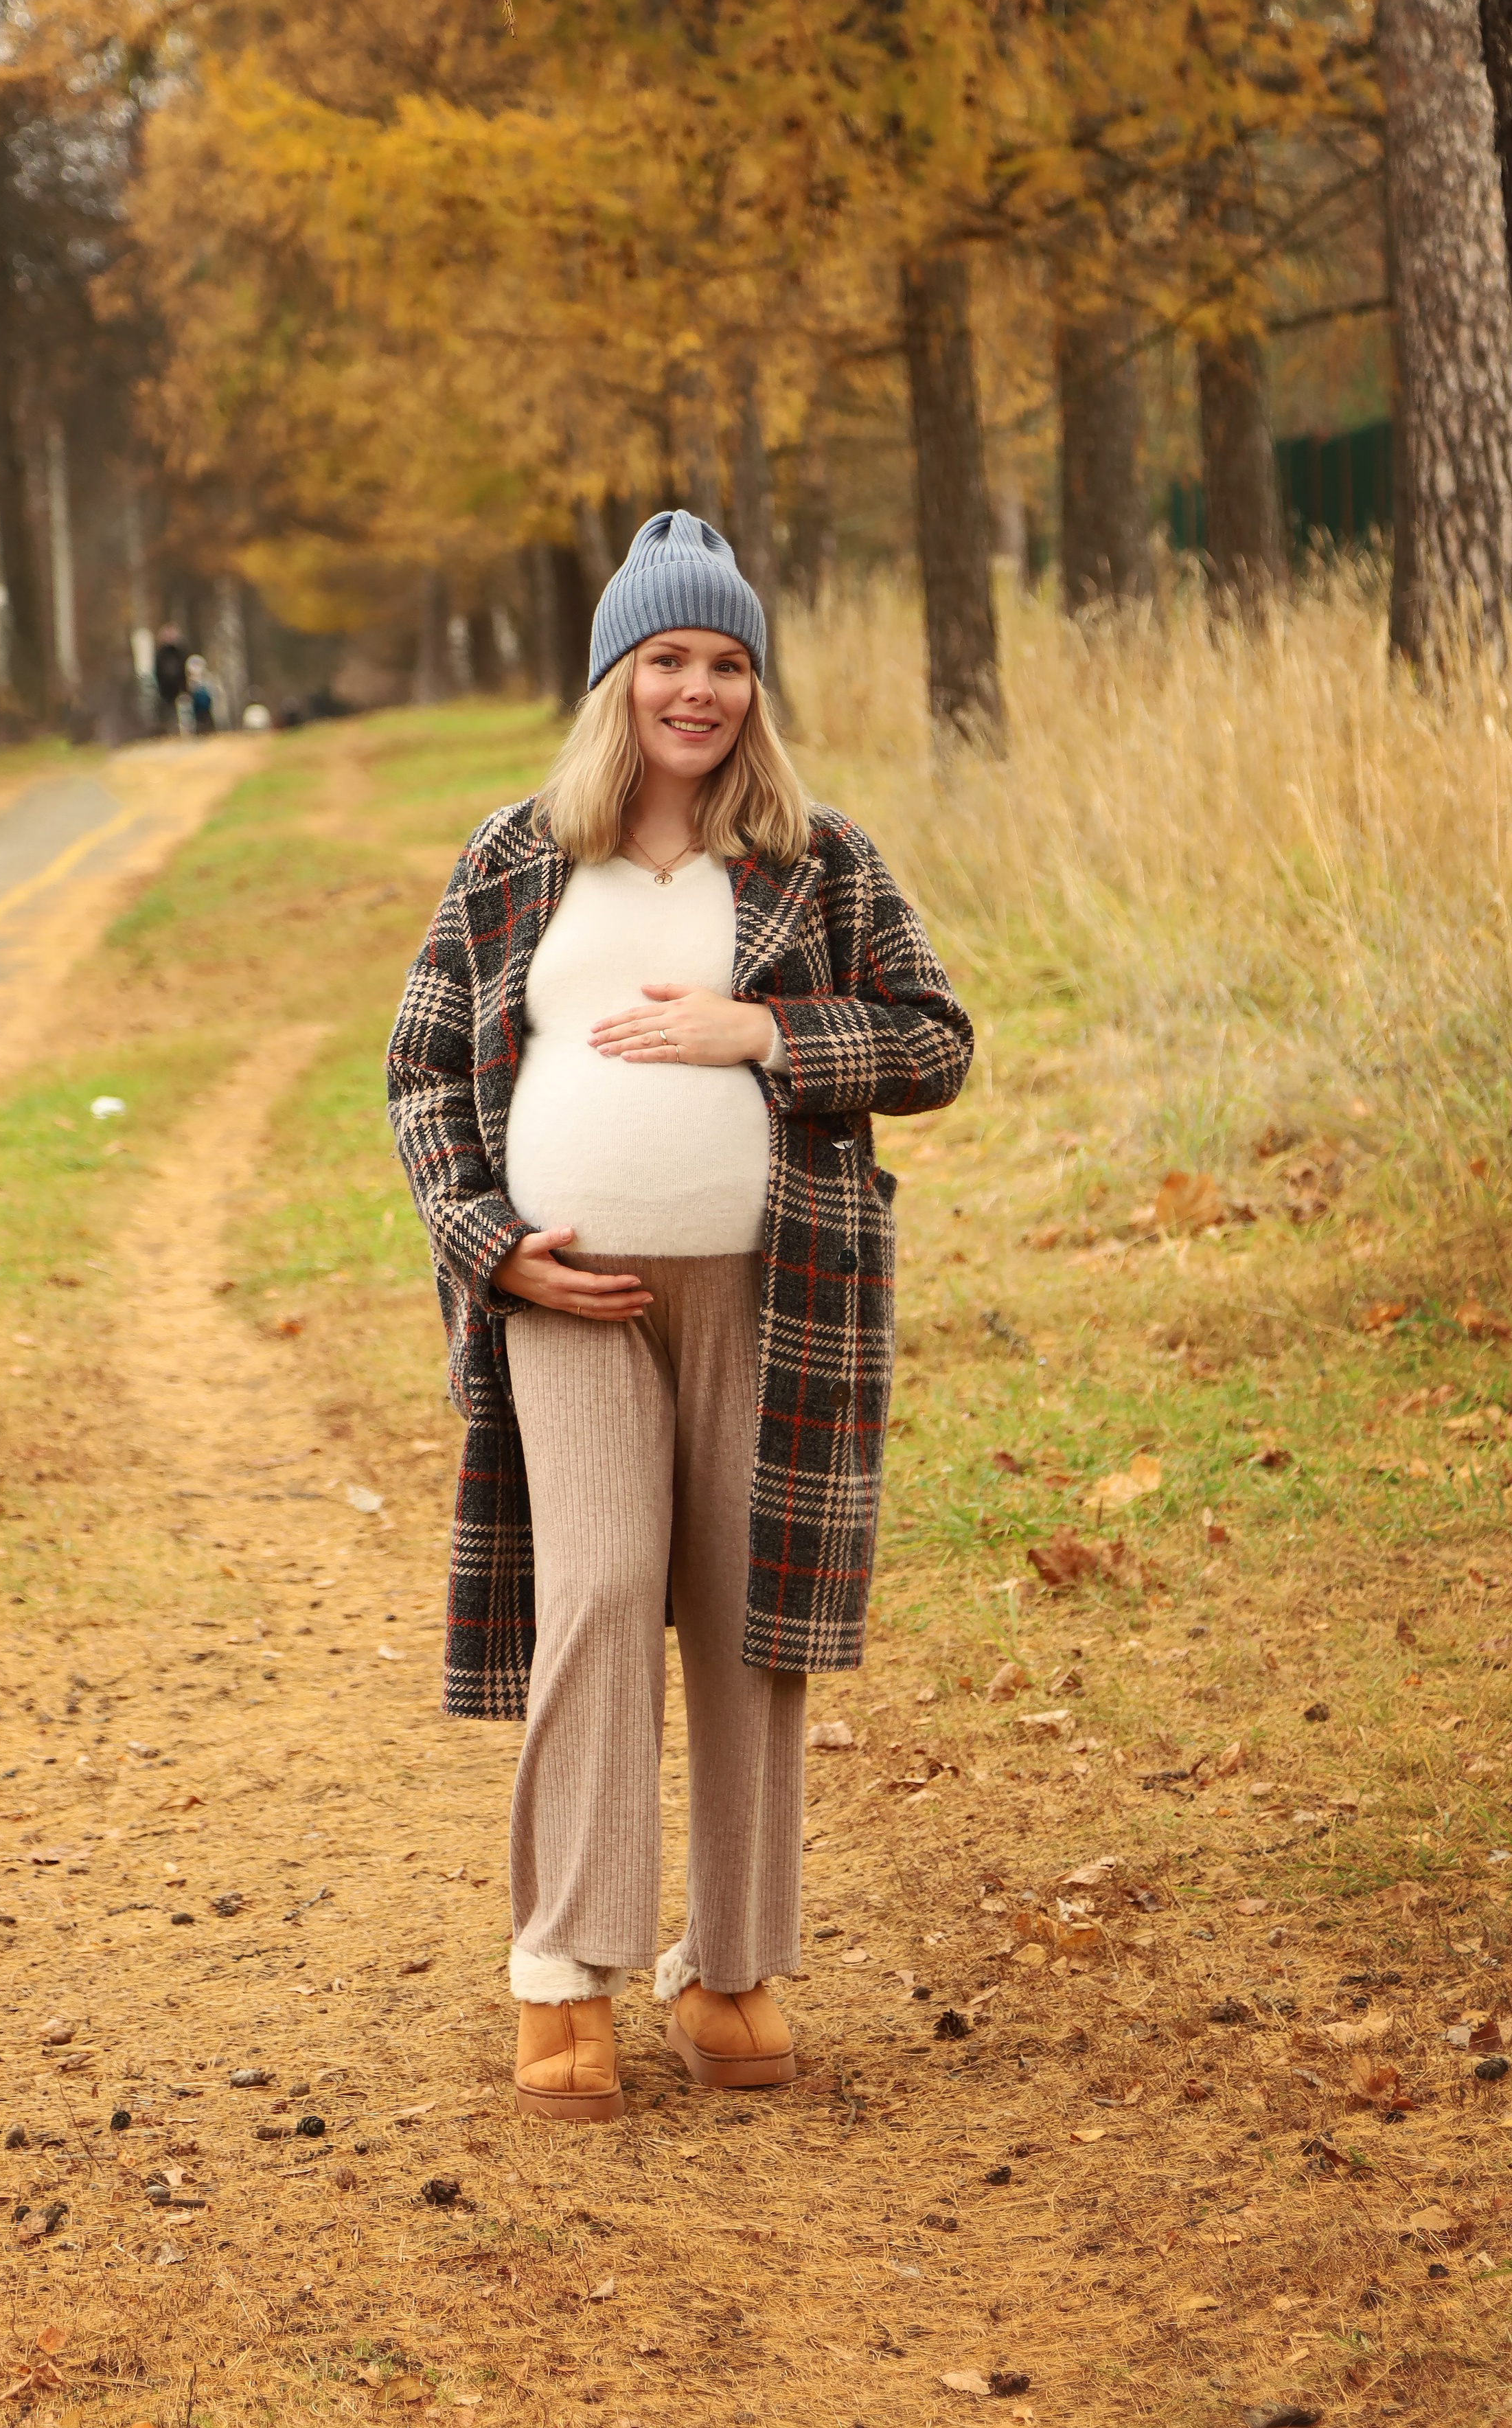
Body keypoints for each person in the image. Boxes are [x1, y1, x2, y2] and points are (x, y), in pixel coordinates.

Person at [387, 510, 973, 2122]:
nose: (696, 689)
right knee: (595, 1590)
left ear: (751, 685)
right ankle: (562, 1974)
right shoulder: (512, 857)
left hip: (776, 1294)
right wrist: (486, 1241)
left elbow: (934, 1041)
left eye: (724, 661)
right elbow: (423, 1070)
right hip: (567, 1291)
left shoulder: (818, 859)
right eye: (667, 659)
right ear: (613, 678)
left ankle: (730, 1967)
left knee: (740, 1624)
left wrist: (763, 1030)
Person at [152, 623, 190, 728]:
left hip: (178, 686)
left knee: (183, 709)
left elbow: (183, 668)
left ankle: (184, 728)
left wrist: (185, 687)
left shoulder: (180, 651)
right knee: (167, 710)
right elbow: (158, 671)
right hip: (165, 687)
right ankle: (168, 727)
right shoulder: (160, 654)